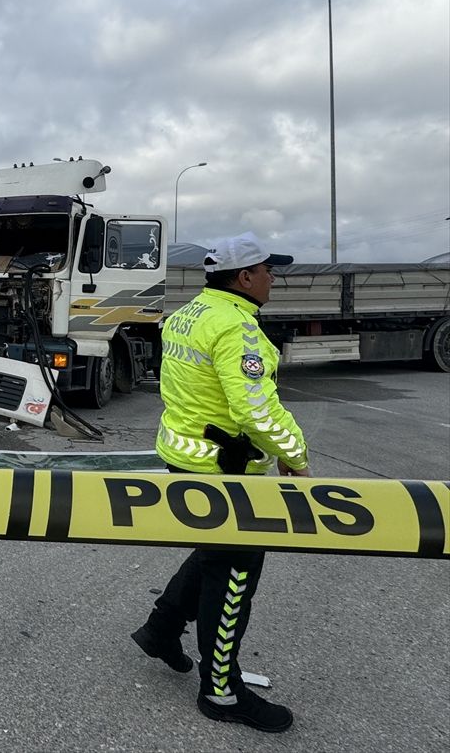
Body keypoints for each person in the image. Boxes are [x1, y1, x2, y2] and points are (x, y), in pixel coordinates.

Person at [131, 231, 311, 734]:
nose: (273, 279)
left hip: (185, 459)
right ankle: (221, 692)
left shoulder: (188, 314)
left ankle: (161, 630)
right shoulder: (237, 329)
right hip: (225, 471)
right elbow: (256, 410)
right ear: (245, 277)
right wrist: (295, 456)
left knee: (213, 555)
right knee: (234, 575)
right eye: (268, 271)